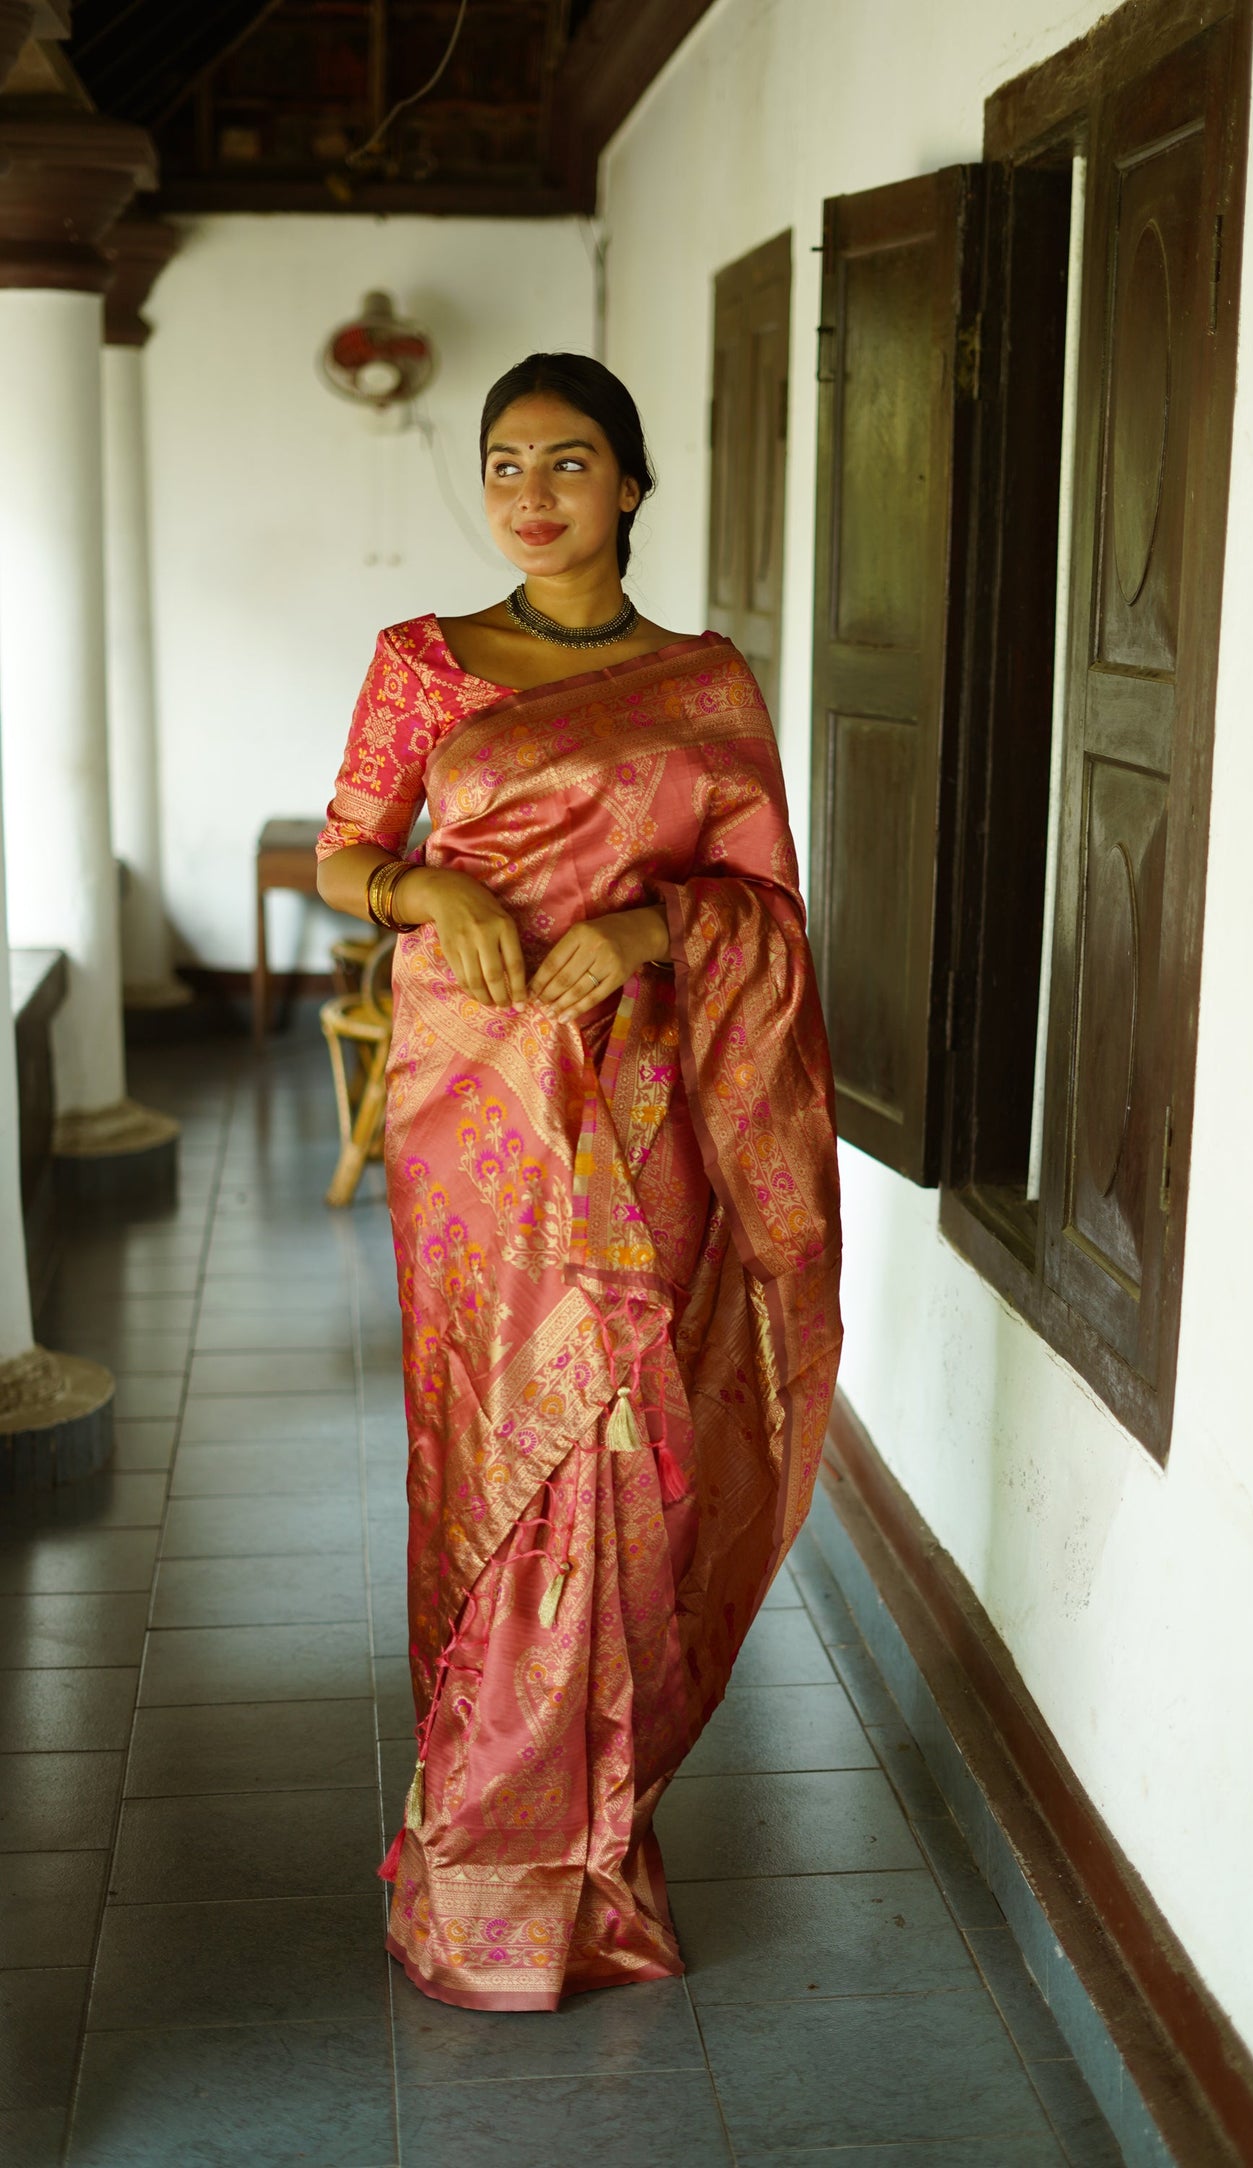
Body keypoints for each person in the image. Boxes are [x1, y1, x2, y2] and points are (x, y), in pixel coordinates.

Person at [316, 351, 842, 2010]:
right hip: (480, 1120)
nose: (529, 492)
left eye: (565, 460)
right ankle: (482, 1860)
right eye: (502, 463)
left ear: (628, 484)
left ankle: (596, 1848)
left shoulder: (701, 684)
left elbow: (765, 911)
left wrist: (644, 928)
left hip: (647, 1100)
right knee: (498, 1446)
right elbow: (346, 847)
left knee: (621, 1449)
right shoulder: (425, 663)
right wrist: (420, 894)